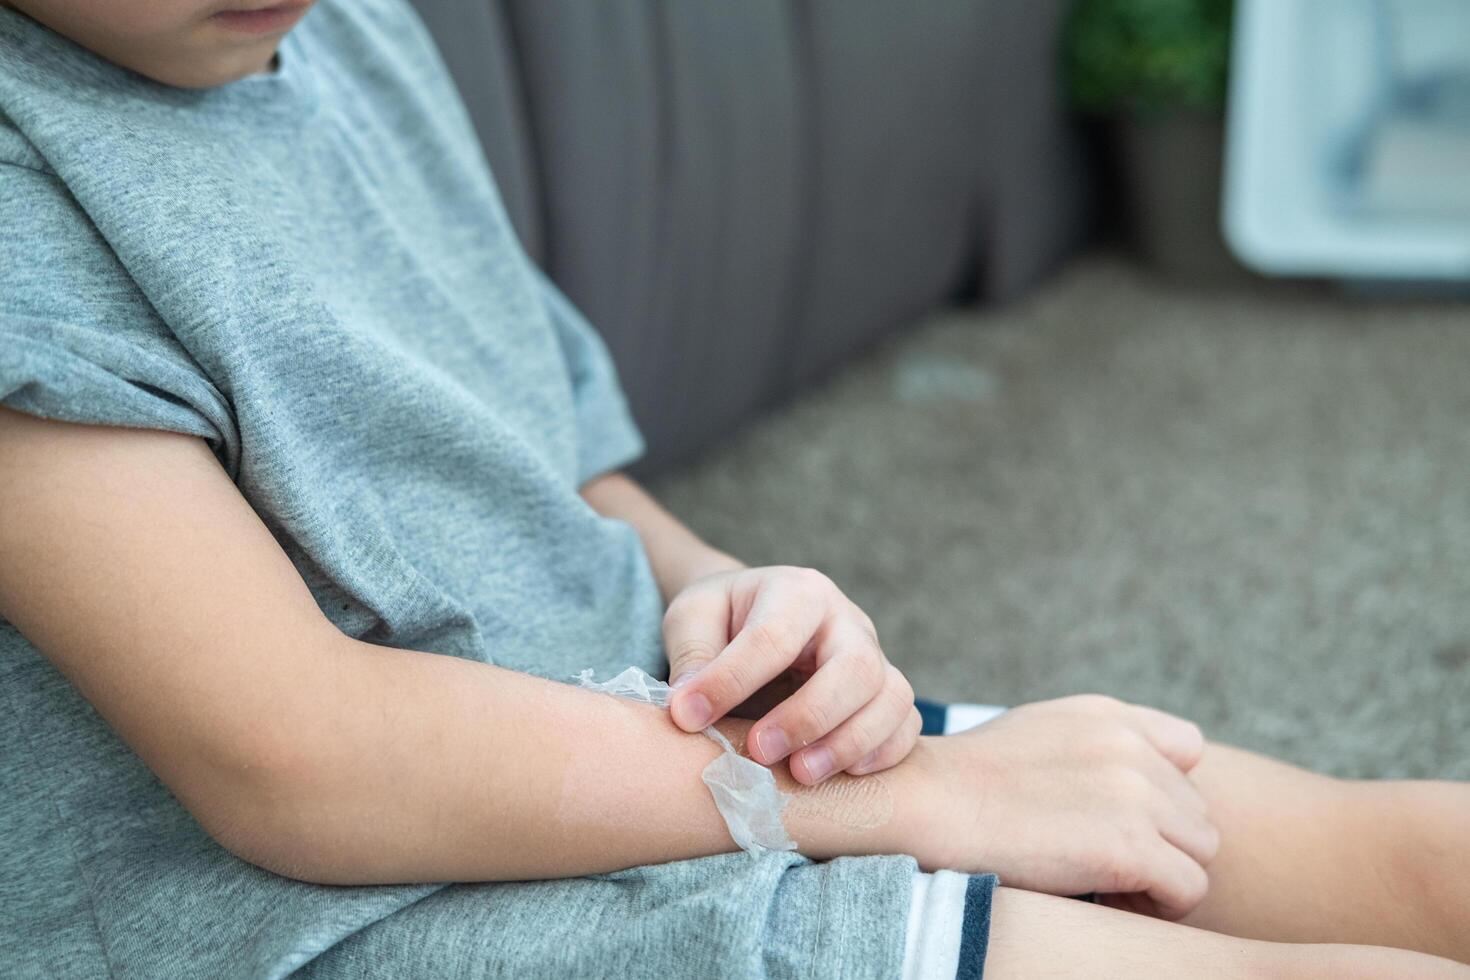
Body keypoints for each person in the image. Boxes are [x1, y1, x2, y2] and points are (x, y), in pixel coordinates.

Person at [0, 1, 1465, 977]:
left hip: (638, 745)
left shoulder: (341, 33)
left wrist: (716, 588)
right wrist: (915, 799)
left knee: (1397, 861)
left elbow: (555, 462)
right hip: (346, 911)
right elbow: (296, 762)